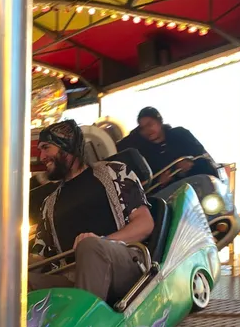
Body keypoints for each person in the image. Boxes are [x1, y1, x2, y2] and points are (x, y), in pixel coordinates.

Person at [30, 119, 154, 303]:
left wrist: (101, 242)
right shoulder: (49, 203)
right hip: (75, 276)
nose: (42, 157)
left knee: (88, 246)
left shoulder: (115, 172)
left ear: (67, 145)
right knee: (23, 282)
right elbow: (38, 258)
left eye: (46, 148)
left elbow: (145, 224)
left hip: (124, 263)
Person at [119, 106, 220, 187]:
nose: (147, 131)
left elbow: (202, 155)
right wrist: (159, 182)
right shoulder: (144, 151)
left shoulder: (180, 134)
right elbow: (148, 181)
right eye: (142, 128)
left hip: (200, 184)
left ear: (160, 122)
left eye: (150, 124)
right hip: (172, 195)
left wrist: (190, 163)